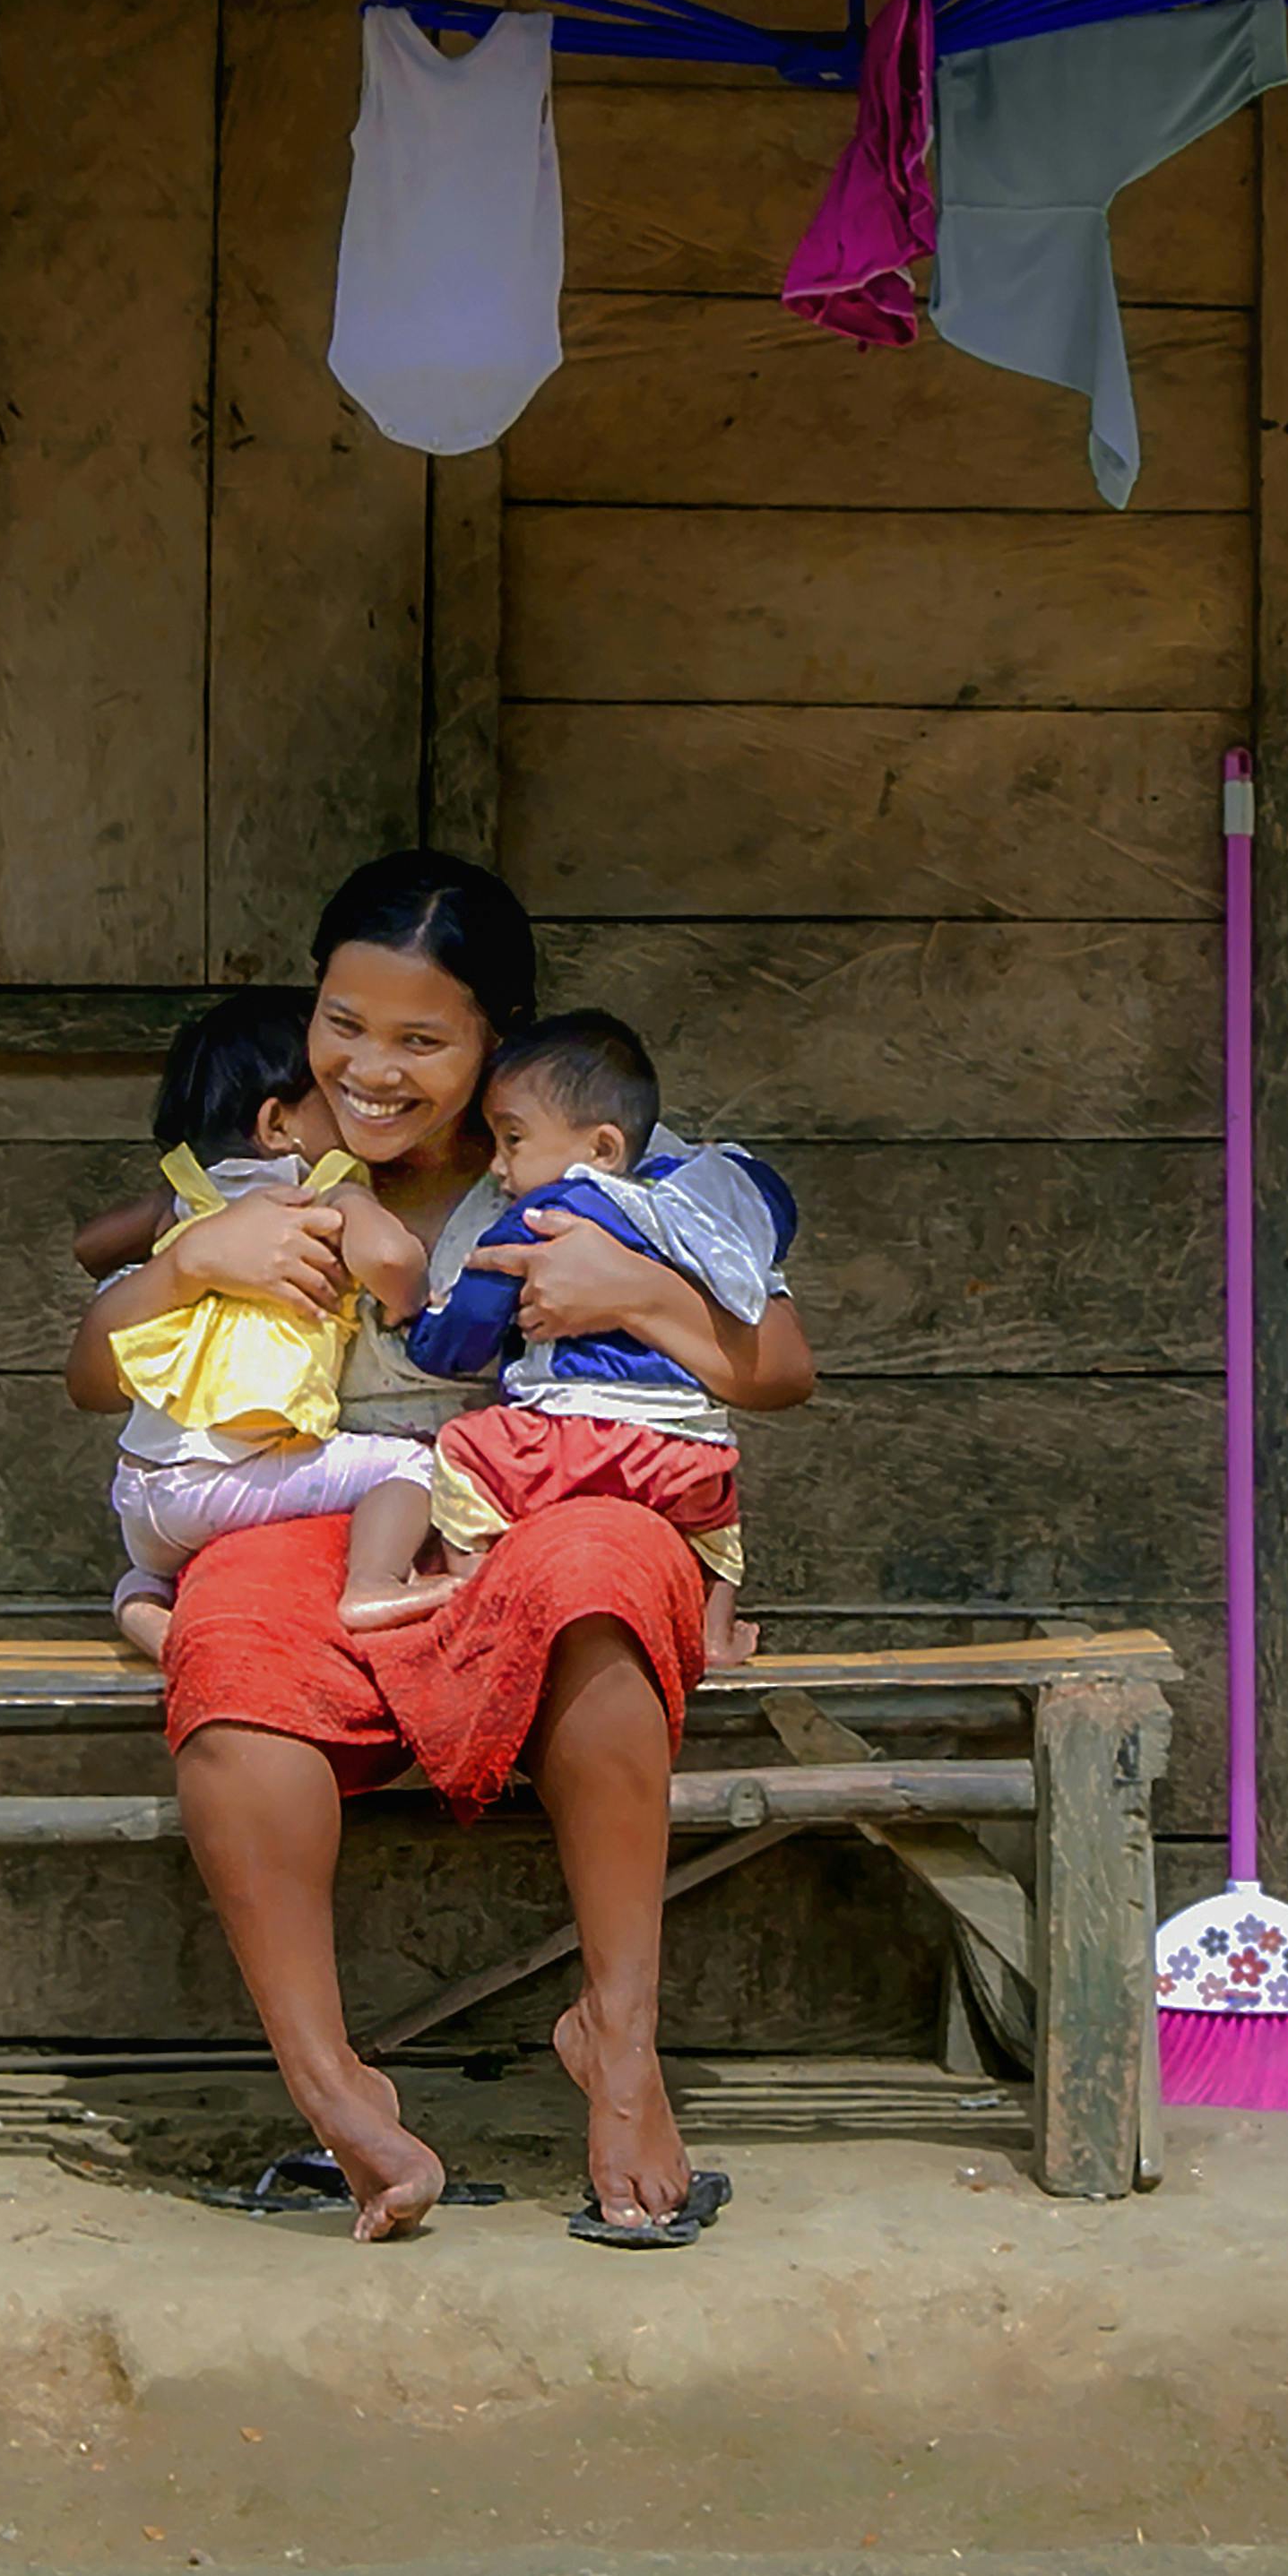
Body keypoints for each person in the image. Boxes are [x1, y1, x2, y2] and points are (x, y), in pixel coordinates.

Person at [67, 852, 816, 2242]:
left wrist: (643, 1290)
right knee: (229, 1635)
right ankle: (334, 2083)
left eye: (425, 1039)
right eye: (345, 1022)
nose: (374, 1067)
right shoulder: (270, 1160)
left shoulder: (608, 1164)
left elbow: (777, 1367)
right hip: (321, 1520)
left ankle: (620, 2038)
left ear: (497, 1042)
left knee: (604, 1565)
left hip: (540, 1518)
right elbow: (93, 1372)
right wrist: (188, 1265)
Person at [405, 1009, 794, 1625]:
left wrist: (423, 1332)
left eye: (512, 1139)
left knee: (464, 1453)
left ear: (602, 1148)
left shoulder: (545, 1213)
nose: (498, 1167)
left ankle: (471, 1589)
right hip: (687, 1446)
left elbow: (468, 1323)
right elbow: (769, 1204)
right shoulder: (689, 1208)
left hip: (574, 1441)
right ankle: (718, 1633)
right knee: (715, 1528)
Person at [86, 990, 439, 1659]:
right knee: (416, 1466)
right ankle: (372, 1583)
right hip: (226, 1481)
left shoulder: (186, 1199)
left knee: (146, 1567)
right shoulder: (316, 1192)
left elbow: (91, 1245)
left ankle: (142, 1608)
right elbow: (393, 1261)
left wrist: (176, 1224)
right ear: (279, 1125)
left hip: (139, 1495)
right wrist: (362, 1204)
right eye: (335, 1100)